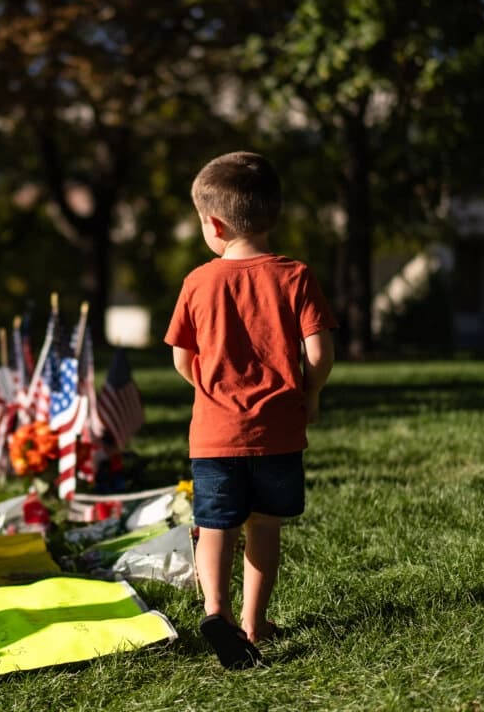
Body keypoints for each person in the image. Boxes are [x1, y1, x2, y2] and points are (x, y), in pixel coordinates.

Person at [164, 151, 337, 669]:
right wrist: (311, 393)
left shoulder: (198, 281)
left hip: (214, 433)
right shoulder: (296, 275)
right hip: (278, 431)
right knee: (264, 525)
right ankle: (254, 622)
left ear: (213, 225)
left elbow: (180, 357)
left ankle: (214, 609)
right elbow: (318, 354)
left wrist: (211, 390)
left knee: (214, 525)